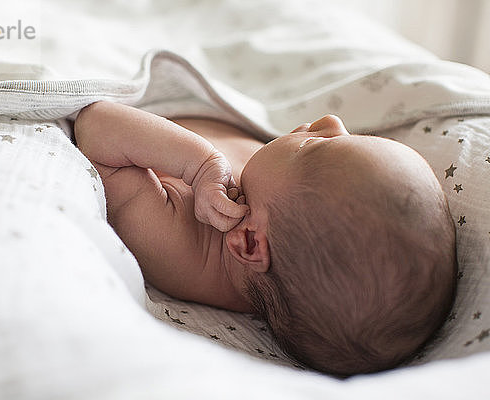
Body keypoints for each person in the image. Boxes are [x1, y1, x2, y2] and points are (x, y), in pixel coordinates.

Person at [74, 100, 457, 376]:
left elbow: (95, 124)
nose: (332, 119)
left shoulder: (180, 244)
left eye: (317, 146)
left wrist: (200, 162)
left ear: (250, 243)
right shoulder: (280, 200)